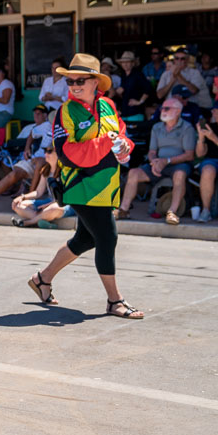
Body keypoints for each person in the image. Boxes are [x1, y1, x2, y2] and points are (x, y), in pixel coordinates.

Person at [30, 54, 141, 318]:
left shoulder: (109, 106)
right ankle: (115, 301)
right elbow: (68, 153)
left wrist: (125, 147)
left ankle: (42, 279)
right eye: (70, 81)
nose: (74, 86)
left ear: (95, 83)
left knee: (85, 238)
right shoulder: (65, 112)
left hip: (107, 188)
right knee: (107, 237)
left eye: (80, 80)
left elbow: (122, 136)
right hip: (80, 186)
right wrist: (106, 143)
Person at [119, 96, 197, 224]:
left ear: (177, 111)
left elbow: (189, 155)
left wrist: (166, 161)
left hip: (179, 164)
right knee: (133, 173)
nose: (162, 111)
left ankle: (172, 212)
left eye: (167, 108)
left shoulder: (187, 128)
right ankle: (123, 209)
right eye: (162, 108)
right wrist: (154, 162)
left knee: (179, 175)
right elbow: (152, 152)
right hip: (158, 163)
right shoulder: (157, 127)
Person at [0, 104, 53, 210]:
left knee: (40, 162)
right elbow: (32, 134)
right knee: (14, 173)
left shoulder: (66, 130)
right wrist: (27, 148)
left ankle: (29, 199)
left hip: (50, 162)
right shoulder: (46, 126)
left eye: (39, 114)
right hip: (35, 159)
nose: (36, 116)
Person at [113, 51, 152, 121]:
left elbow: (148, 88)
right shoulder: (124, 76)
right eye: (123, 62)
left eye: (128, 62)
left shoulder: (137, 75)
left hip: (135, 112)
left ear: (133, 63)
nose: (125, 64)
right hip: (125, 112)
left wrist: (140, 101)